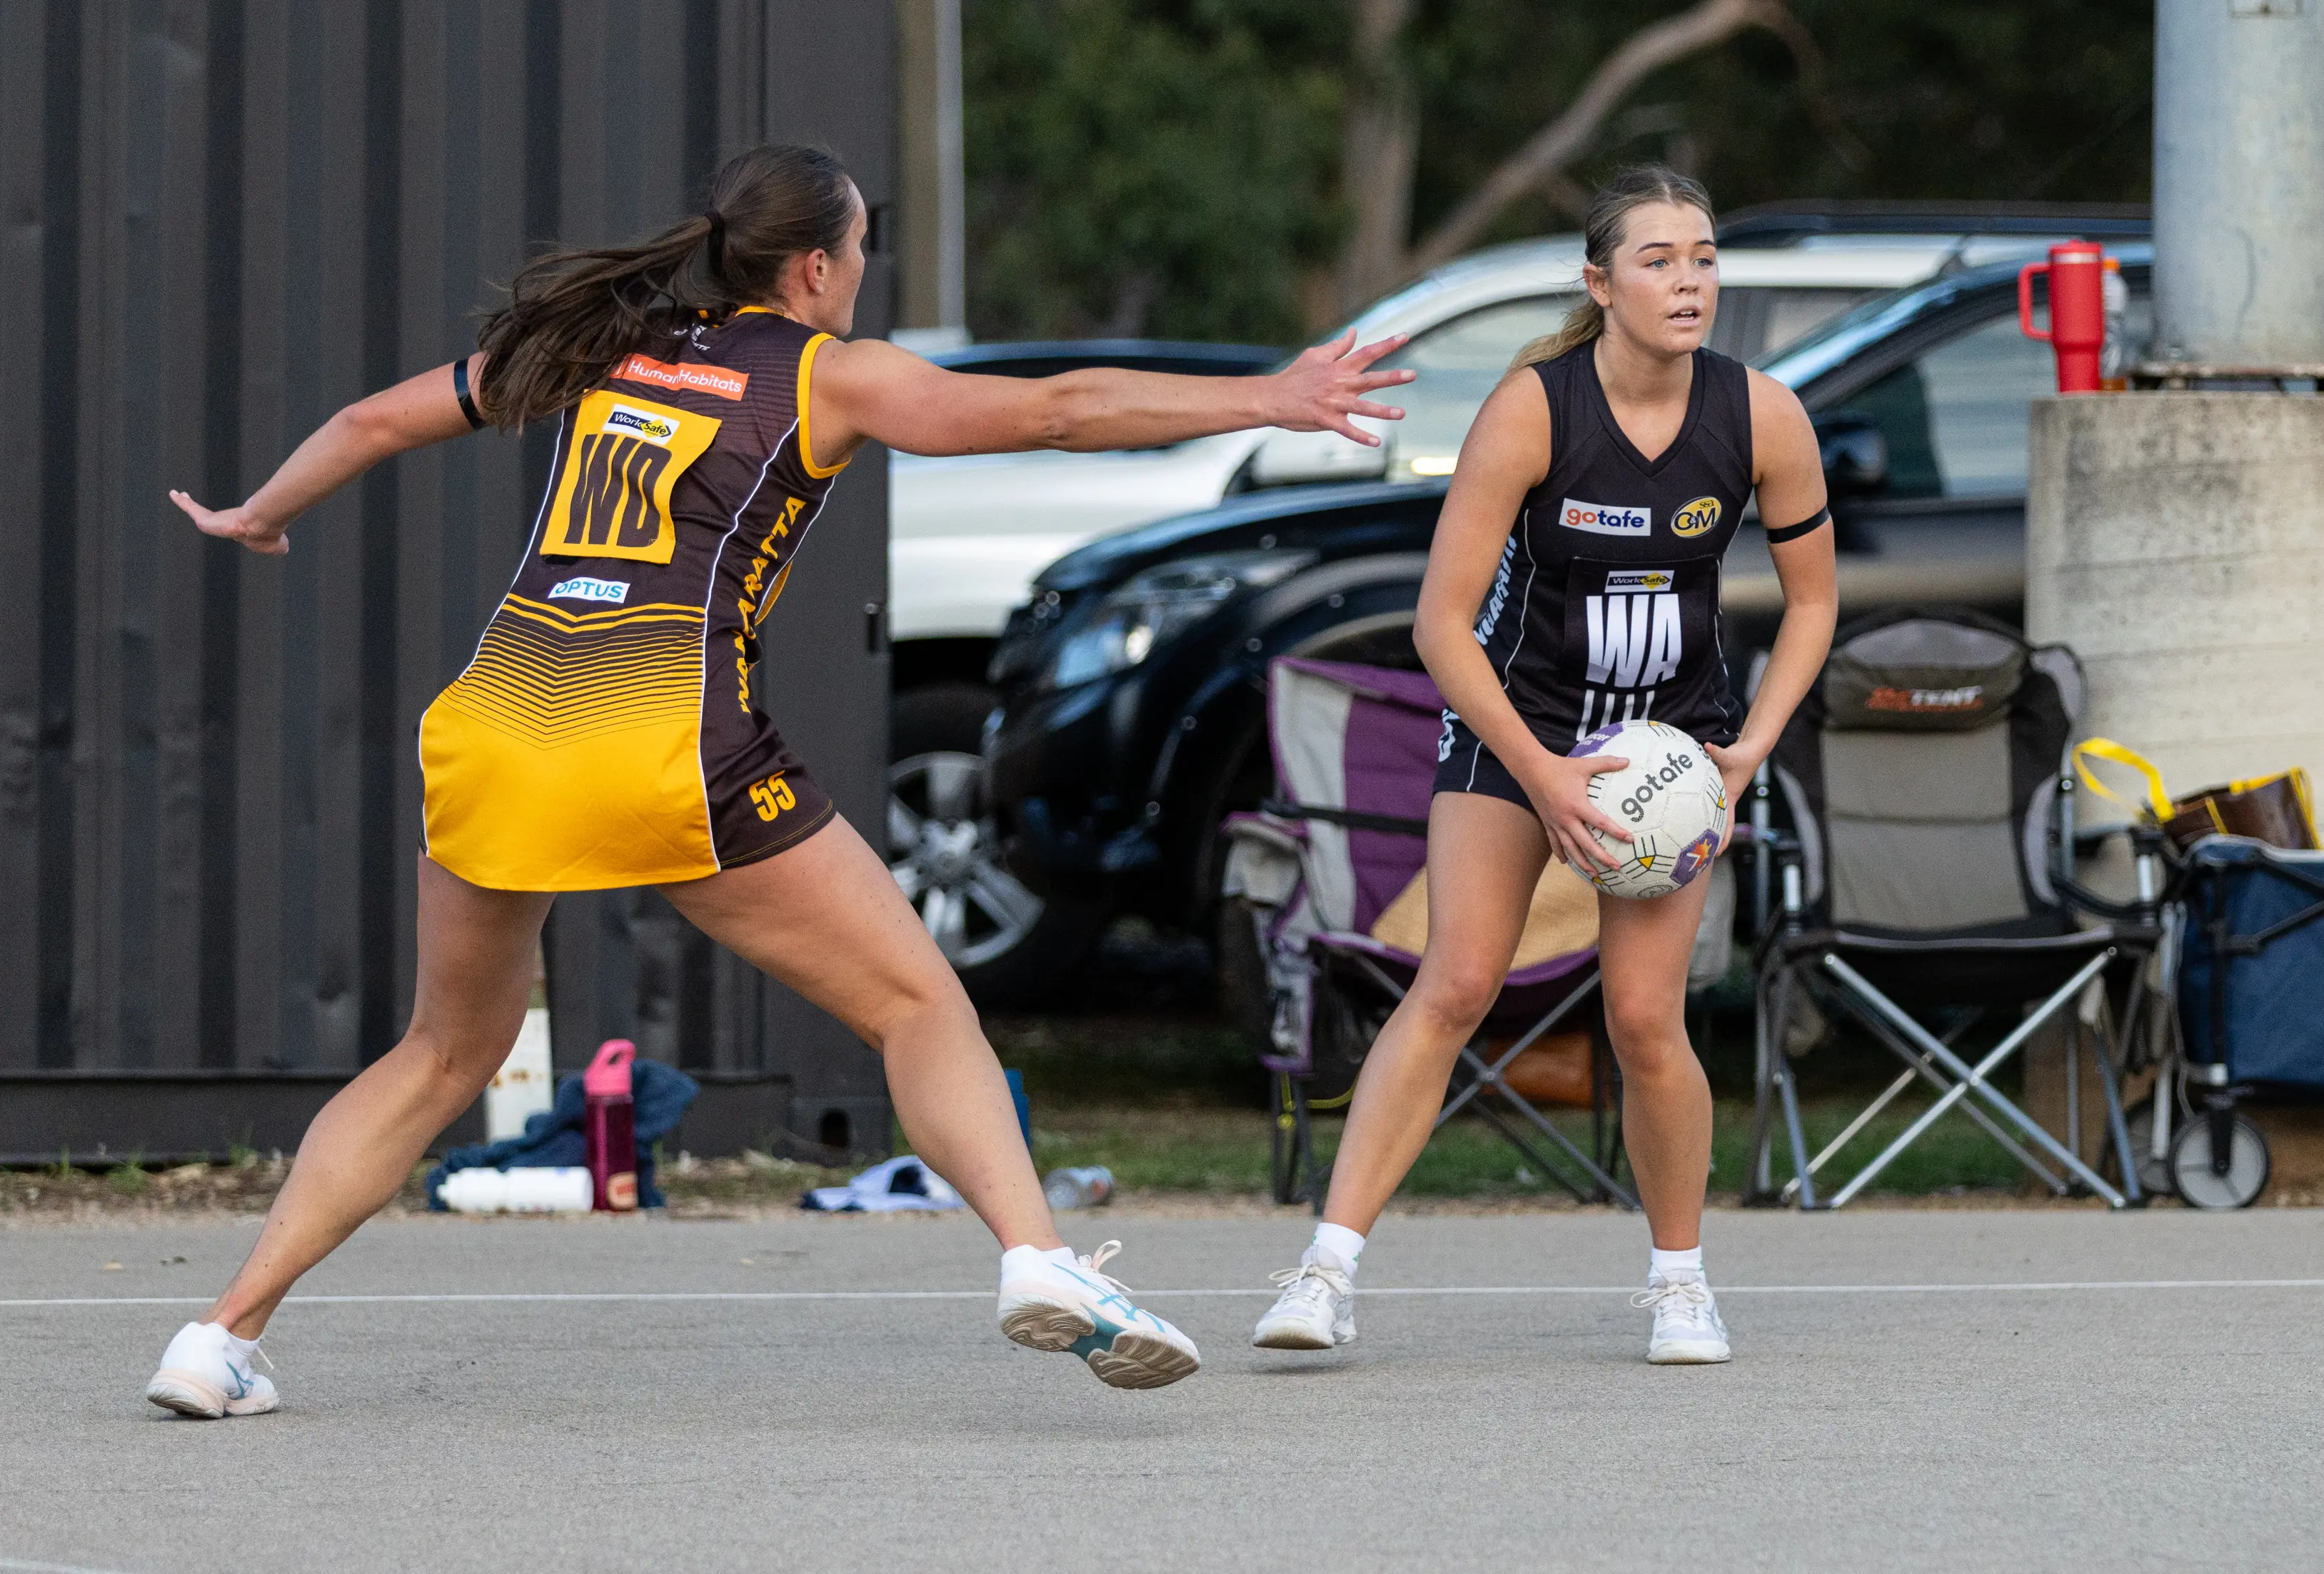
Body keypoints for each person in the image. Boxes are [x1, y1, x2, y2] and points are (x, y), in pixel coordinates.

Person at [142, 143, 1413, 1417]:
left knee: (438, 1053)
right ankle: (1039, 1257)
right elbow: (1057, 411)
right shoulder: (827, 377)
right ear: (815, 265)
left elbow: (371, 421)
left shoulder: (603, 345)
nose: (865, 269)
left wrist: (260, 511)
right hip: (659, 735)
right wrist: (1271, 397)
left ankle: (217, 1335)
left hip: (499, 717)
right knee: (919, 1007)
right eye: (861, 249)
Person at [1250, 166, 1836, 1365]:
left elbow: (1814, 601)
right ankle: (1324, 1272)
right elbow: (1438, 625)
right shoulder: (1533, 409)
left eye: (1704, 257)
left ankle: (1680, 1283)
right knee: (1455, 984)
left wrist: (1749, 749)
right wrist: (1543, 775)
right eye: (1658, 260)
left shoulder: (1760, 414)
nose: (1688, 282)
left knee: (1643, 1019)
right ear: (1599, 283)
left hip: (1668, 752)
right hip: (1516, 731)